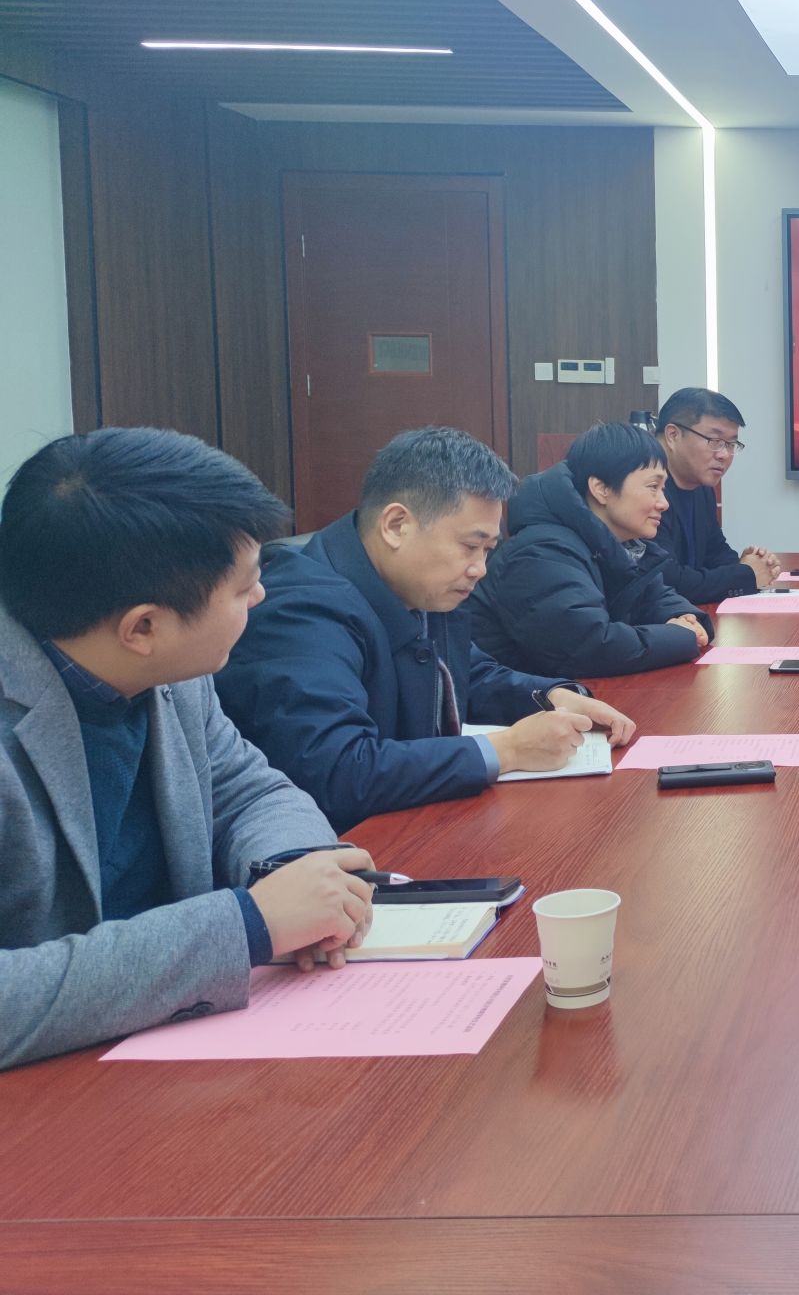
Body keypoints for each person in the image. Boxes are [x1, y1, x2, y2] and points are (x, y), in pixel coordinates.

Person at [1, 429, 378, 1069]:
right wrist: (249, 925)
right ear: (143, 627)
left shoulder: (171, 673)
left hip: (180, 1053)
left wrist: (293, 871)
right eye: (242, 588)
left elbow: (248, 789)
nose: (260, 597)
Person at [216, 428, 636, 833]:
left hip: (415, 822)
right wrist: (506, 750)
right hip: (340, 850)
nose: (480, 568)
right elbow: (339, 771)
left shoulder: (420, 585)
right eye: (469, 546)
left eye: (488, 550)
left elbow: (466, 675)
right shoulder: (302, 612)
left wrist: (551, 696)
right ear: (396, 525)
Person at [470, 422, 714, 678]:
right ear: (601, 489)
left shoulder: (620, 544)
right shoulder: (541, 552)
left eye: (663, 489)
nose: (664, 503)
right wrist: (681, 636)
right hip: (520, 700)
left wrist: (686, 618)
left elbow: (654, 597)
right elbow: (589, 647)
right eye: (653, 487)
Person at [652, 387, 782, 601]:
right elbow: (668, 580)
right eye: (715, 441)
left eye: (731, 444)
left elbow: (715, 551)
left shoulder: (701, 485)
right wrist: (745, 575)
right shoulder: (642, 487)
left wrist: (750, 565)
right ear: (673, 435)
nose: (724, 455)